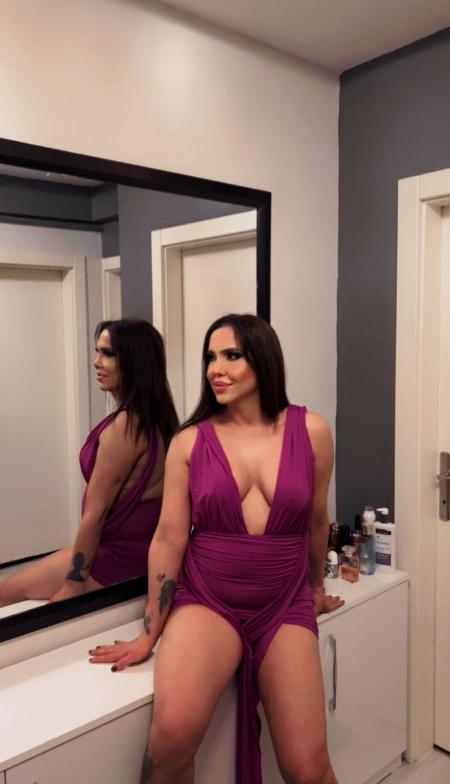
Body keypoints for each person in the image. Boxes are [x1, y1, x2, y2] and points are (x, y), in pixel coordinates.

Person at [89, 313, 344, 784]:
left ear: (263, 359)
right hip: (208, 599)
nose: (215, 369)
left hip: (283, 601)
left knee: (307, 766)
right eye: (210, 357)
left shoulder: (312, 431)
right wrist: (150, 631)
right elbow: (169, 539)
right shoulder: (190, 441)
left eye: (231, 355)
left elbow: (315, 520)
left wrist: (315, 588)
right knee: (169, 740)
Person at [0, 318, 178, 606]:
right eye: (97, 352)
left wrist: (73, 583)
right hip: (141, 552)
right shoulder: (158, 419)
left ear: (135, 361)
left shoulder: (126, 427)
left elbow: (96, 512)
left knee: (4, 593)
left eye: (108, 354)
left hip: (119, 557)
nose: (96, 362)